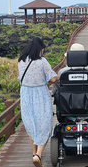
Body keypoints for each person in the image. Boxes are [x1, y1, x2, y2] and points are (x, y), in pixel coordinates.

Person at [18, 37, 59, 167]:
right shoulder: (42, 62)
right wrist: (58, 76)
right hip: (39, 94)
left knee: (32, 124)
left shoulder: (21, 61)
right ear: (39, 49)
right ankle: (38, 155)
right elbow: (52, 78)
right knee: (44, 124)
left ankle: (33, 152)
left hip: (25, 94)